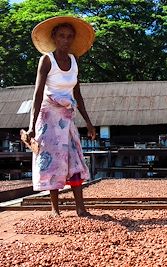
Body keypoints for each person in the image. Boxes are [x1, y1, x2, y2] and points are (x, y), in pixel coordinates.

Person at [25, 16, 96, 217]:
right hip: (47, 117)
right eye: (62, 36)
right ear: (54, 37)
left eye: (69, 37)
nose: (66, 40)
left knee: (74, 160)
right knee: (52, 162)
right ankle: (55, 209)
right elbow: (38, 94)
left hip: (66, 117)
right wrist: (31, 126)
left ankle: (80, 208)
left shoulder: (74, 61)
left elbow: (77, 94)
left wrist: (89, 123)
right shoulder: (46, 60)